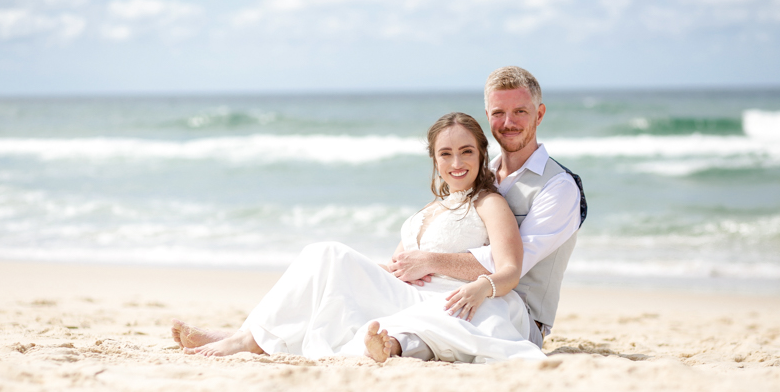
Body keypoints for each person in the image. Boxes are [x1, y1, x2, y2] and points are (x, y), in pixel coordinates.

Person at [172, 112, 546, 363]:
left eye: (466, 151)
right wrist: (370, 271)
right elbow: (396, 267)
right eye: (445, 154)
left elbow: (511, 269)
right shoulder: (428, 211)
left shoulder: (489, 203)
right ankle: (244, 335)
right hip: (407, 293)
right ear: (435, 160)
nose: (456, 162)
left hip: (454, 299)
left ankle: (246, 340)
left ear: (482, 155)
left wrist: (480, 287)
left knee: (338, 260)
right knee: (325, 258)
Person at [387, 66, 587, 345]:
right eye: (498, 113)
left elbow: (510, 264)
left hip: (515, 315)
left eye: (520, 111)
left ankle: (401, 343)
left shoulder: (558, 187)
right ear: (488, 117)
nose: (508, 122)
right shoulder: (477, 176)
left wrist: (429, 262)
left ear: (539, 114)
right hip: (456, 293)